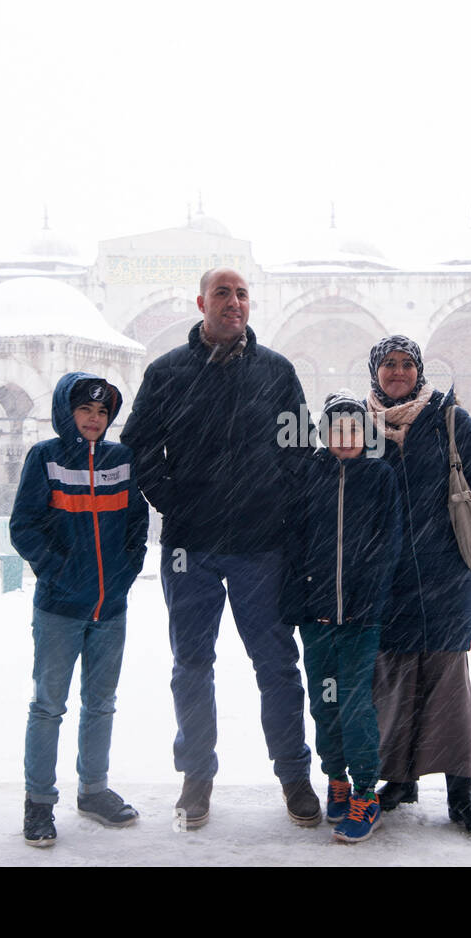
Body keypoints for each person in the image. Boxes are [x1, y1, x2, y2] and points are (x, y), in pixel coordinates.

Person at [119, 268, 318, 830]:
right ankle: (197, 777)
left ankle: (293, 775)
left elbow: (300, 450)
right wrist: (176, 503)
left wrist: (277, 507)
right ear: (202, 302)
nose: (235, 303)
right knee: (191, 664)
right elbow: (137, 449)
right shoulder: (168, 373)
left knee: (278, 665)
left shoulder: (275, 372)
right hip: (191, 549)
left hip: (262, 547)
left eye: (243, 295)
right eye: (224, 294)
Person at [365, 335, 471, 836]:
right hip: (384, 580)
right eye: (388, 364)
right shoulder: (359, 424)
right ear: (375, 372)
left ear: (419, 370)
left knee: (448, 688)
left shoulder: (448, 418)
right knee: (392, 685)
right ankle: (398, 781)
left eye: (406, 364)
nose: (397, 372)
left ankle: (461, 792)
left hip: (442, 574)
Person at [9, 373, 149, 847]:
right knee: (49, 706)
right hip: (59, 608)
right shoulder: (44, 457)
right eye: (86, 410)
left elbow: (136, 525)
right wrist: (57, 571)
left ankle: (92, 790)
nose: (94, 419)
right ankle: (39, 802)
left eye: (103, 412)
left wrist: (125, 575)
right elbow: (24, 526)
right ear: (66, 413)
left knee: (102, 703)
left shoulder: (120, 460)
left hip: (110, 609)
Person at [281, 390, 402, 843]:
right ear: (324, 433)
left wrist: (369, 598)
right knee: (324, 704)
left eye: (353, 429)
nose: (345, 437)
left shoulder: (379, 476)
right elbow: (293, 542)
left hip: (359, 618)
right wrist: (299, 599)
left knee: (355, 706)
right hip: (316, 619)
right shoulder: (309, 475)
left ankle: (366, 793)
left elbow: (388, 544)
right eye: (336, 429)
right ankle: (336, 779)